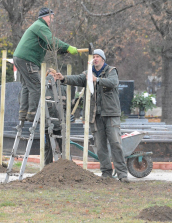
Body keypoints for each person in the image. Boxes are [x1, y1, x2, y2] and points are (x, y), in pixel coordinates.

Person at [54, 49, 130, 183]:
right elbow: (77, 79)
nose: (95, 59)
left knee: (116, 143)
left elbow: (113, 83)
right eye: (93, 57)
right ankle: (106, 173)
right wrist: (64, 78)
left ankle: (122, 174)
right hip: (95, 116)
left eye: (98, 57)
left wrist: (97, 80)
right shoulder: (88, 73)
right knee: (100, 146)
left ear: (103, 59)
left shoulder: (111, 71)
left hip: (111, 114)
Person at [13, 7, 78, 122]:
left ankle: (23, 113)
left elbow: (48, 45)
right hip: (28, 59)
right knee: (36, 86)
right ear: (45, 17)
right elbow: (52, 41)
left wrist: (63, 50)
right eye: (51, 17)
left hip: (20, 58)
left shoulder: (38, 26)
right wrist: (68, 47)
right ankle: (33, 115)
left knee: (27, 86)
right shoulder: (41, 26)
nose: (52, 20)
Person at [44, 68, 66, 165]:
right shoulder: (44, 89)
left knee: (64, 147)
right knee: (48, 147)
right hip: (48, 124)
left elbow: (68, 104)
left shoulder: (62, 89)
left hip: (60, 124)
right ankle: (47, 167)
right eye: (50, 76)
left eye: (54, 76)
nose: (52, 78)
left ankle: (65, 166)